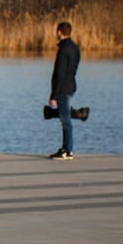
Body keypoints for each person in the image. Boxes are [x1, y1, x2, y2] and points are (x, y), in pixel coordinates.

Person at [48, 21, 81, 160]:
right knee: (65, 117)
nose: (56, 33)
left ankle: (67, 150)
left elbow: (60, 74)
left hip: (63, 88)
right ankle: (66, 148)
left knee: (65, 119)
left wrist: (53, 95)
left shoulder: (63, 50)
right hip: (71, 85)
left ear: (60, 32)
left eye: (57, 31)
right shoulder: (75, 48)